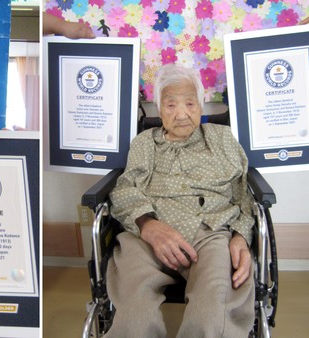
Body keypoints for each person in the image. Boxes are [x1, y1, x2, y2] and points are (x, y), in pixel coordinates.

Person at [104, 64, 255, 337]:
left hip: (210, 231)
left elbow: (243, 192)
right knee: (134, 313)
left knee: (214, 307)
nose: (182, 113)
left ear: (201, 104)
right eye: (171, 105)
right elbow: (124, 189)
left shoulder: (221, 138)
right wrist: (147, 225)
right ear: (159, 109)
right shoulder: (144, 143)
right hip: (147, 235)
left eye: (189, 103)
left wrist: (241, 237)